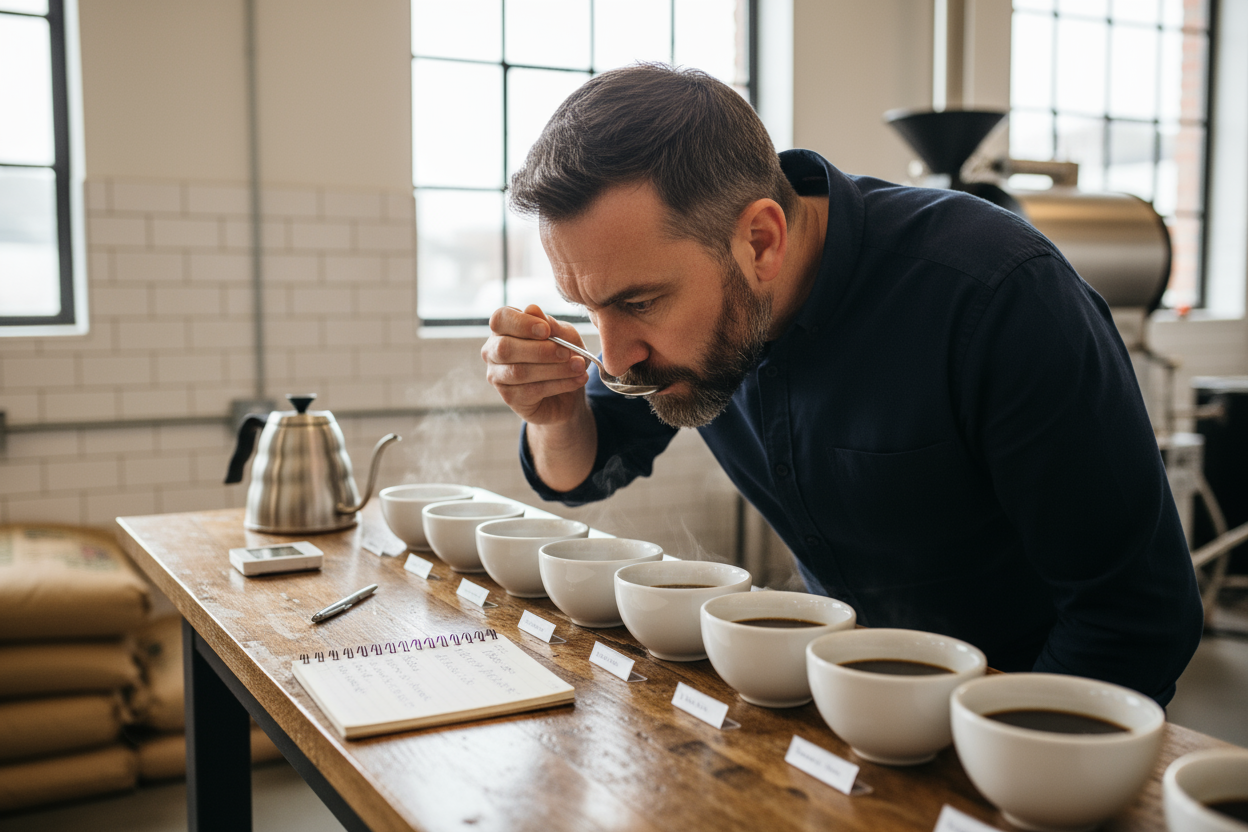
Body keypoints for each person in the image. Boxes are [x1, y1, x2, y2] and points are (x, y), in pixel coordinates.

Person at [480, 63, 1203, 704]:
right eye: (590, 309)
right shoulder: (664, 320)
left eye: (638, 304)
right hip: (846, 706)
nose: (614, 357)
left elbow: (1133, 619)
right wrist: (553, 410)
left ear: (760, 241)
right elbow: (586, 471)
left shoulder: (998, 294)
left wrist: (992, 768)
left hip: (1028, 726)